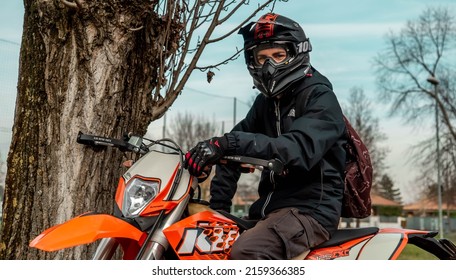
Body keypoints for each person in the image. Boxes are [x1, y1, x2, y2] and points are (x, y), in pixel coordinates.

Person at [184, 13, 347, 260]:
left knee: (248, 252)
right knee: (197, 242)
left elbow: (298, 149)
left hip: (310, 211)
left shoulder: (320, 98)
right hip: (270, 211)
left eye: (278, 55)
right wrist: (218, 210)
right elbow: (231, 151)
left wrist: (230, 143)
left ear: (297, 53)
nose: (269, 66)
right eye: (261, 58)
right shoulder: (266, 104)